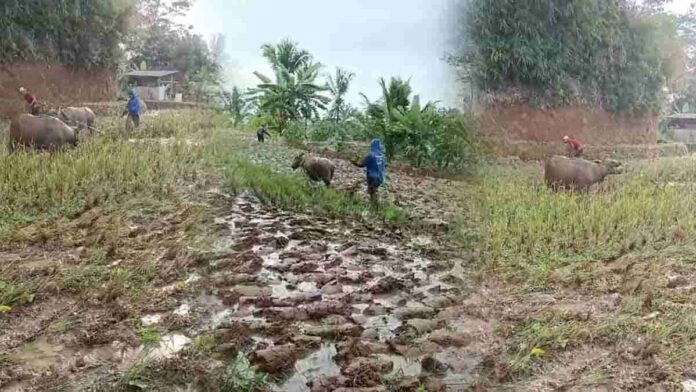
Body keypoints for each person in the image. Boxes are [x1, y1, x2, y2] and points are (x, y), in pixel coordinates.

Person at [351, 138, 386, 207]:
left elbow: (362, 165)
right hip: (380, 178)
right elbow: (384, 166)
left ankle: (375, 207)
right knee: (374, 191)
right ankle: (375, 206)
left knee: (372, 192)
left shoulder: (370, 155)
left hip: (372, 177)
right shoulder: (382, 156)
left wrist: (354, 163)